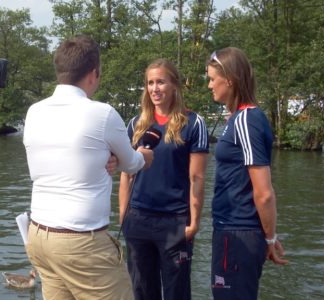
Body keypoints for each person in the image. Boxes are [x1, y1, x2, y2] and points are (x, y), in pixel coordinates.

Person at [23, 34, 154, 300]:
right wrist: (145, 154)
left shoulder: (34, 111)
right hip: (81, 242)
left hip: (39, 236)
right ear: (93, 73)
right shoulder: (103, 113)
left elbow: (74, 153)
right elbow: (132, 164)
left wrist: (108, 157)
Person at [118, 59, 209, 300]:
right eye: (150, 83)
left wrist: (194, 222)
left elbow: (197, 177)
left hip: (175, 221)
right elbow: (126, 175)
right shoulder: (136, 125)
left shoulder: (193, 123)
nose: (155, 88)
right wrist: (123, 217)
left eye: (161, 82)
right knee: (141, 291)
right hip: (138, 220)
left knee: (176, 292)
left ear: (174, 85)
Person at [206, 47, 288, 299]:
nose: (209, 85)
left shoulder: (246, 120)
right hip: (232, 232)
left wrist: (270, 238)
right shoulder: (238, 119)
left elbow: (264, 193)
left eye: (212, 79)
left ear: (228, 80)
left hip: (238, 234)